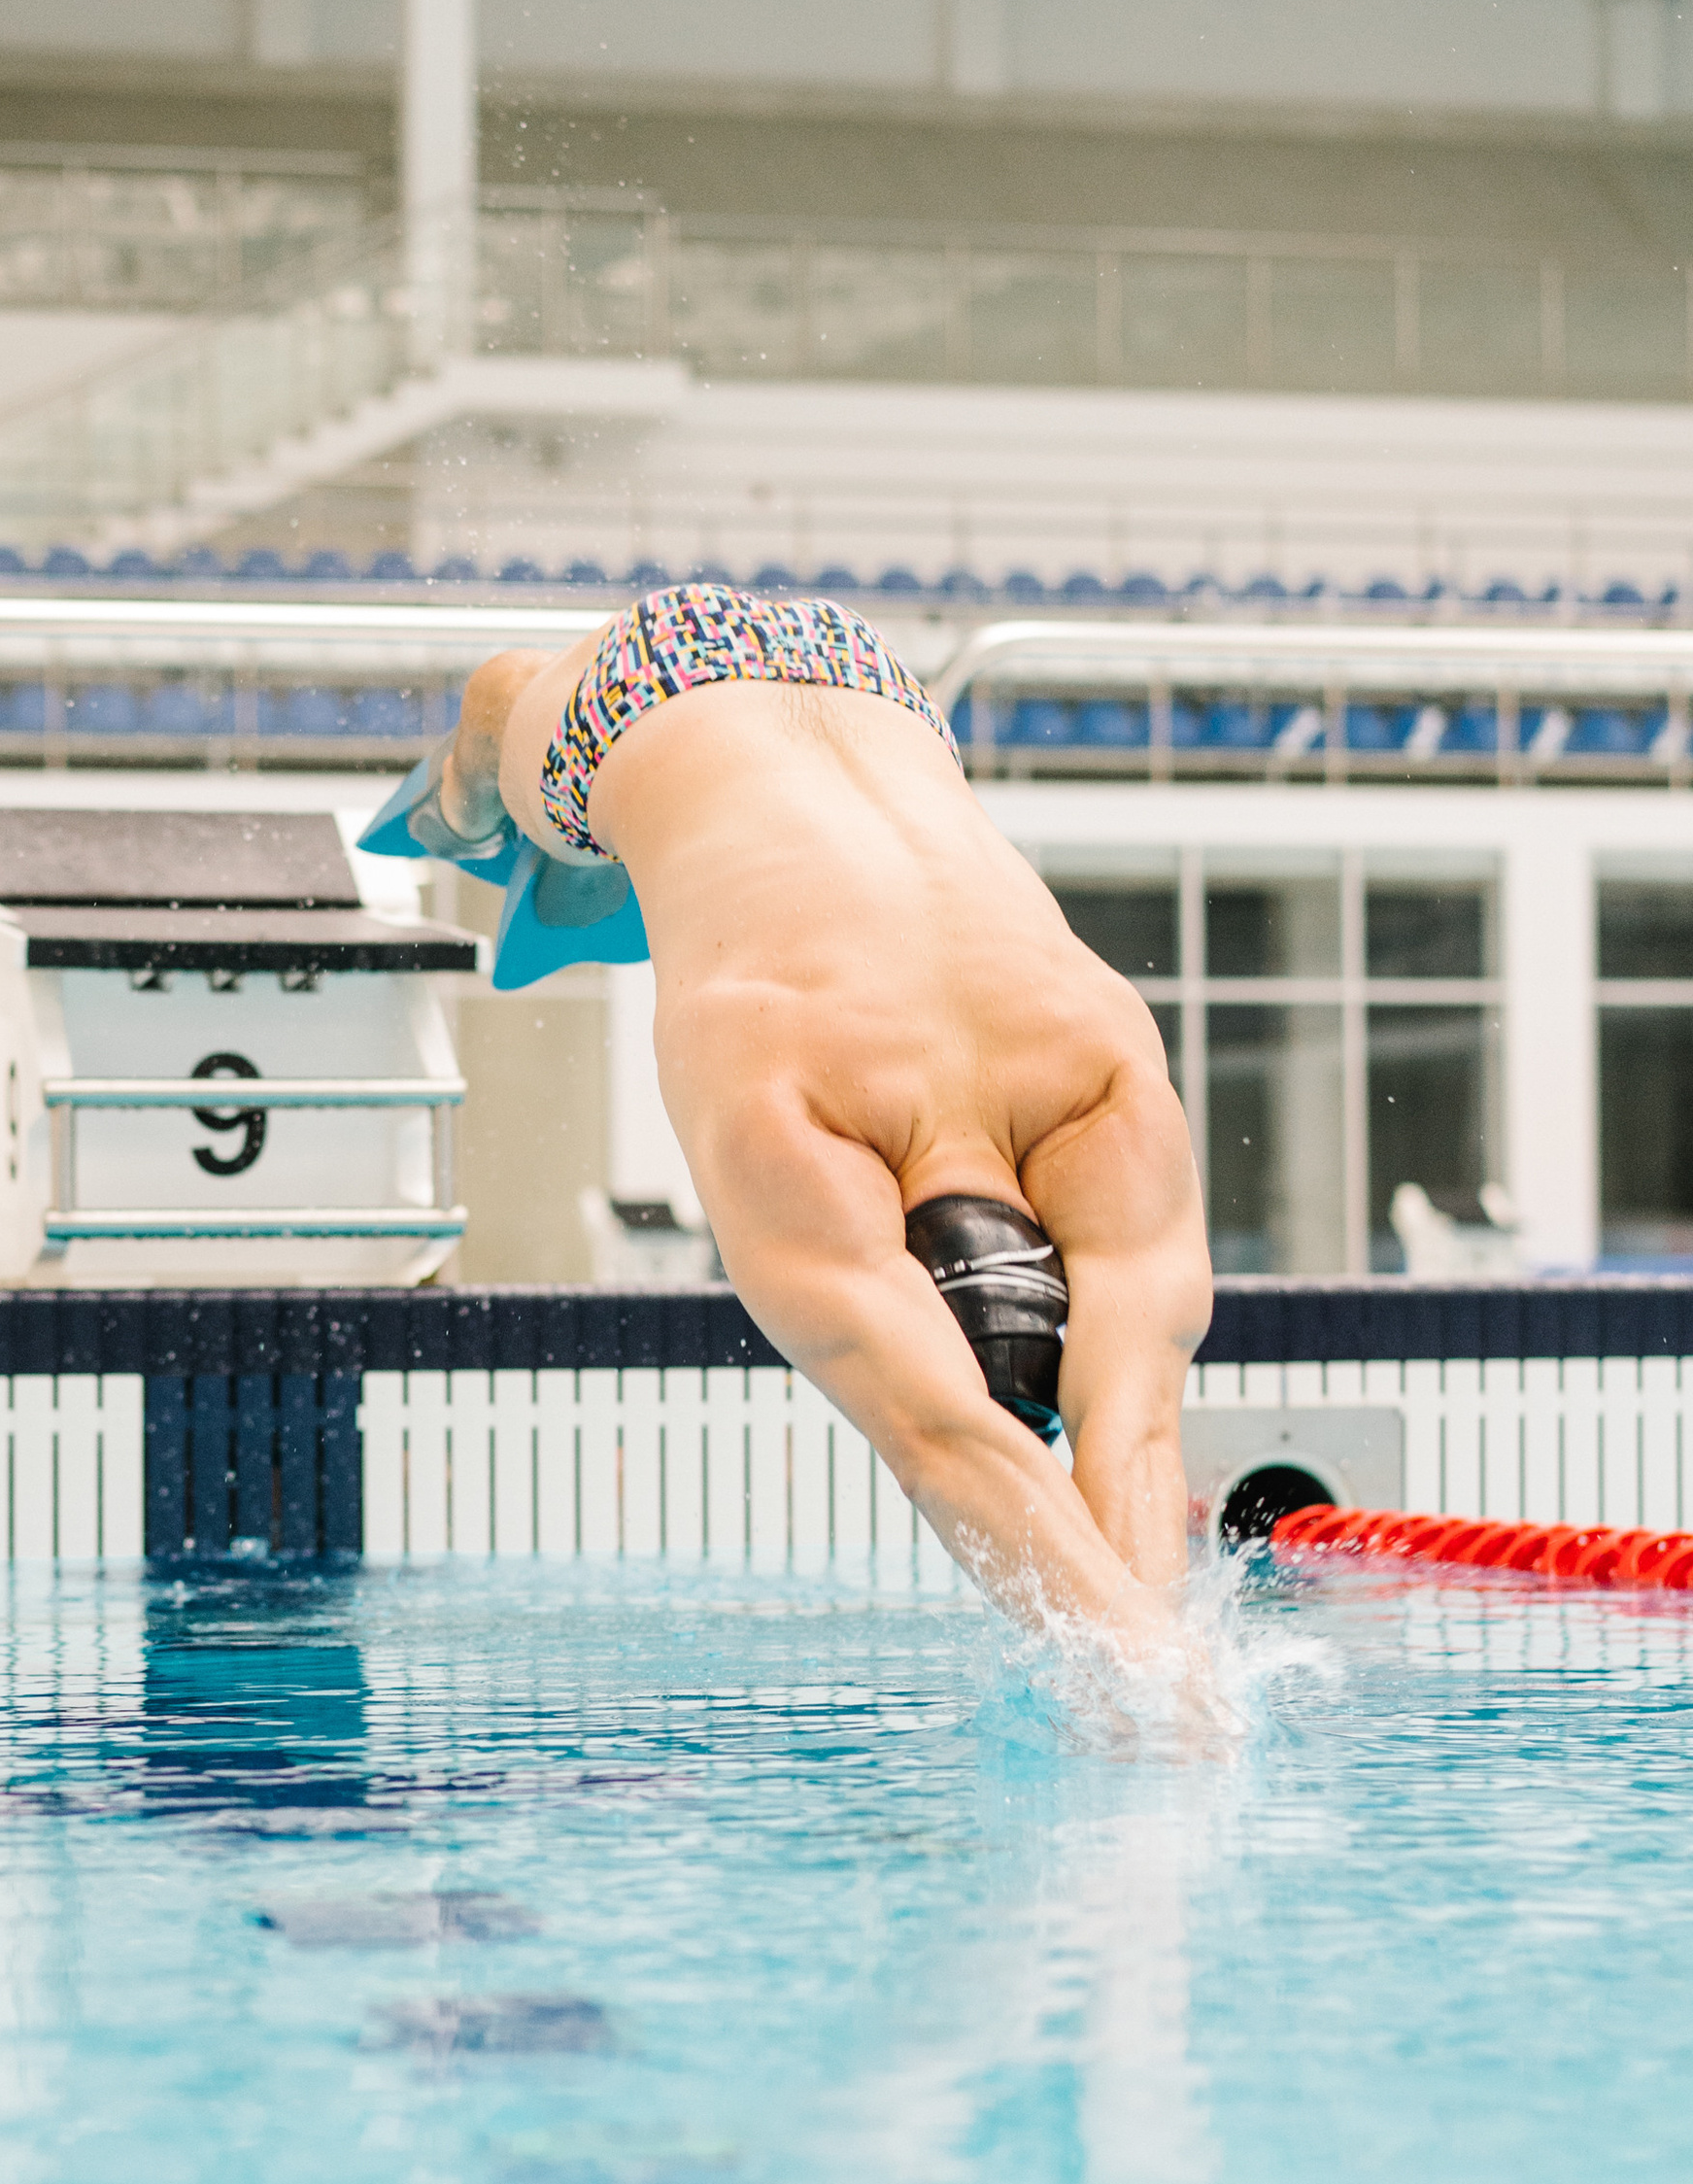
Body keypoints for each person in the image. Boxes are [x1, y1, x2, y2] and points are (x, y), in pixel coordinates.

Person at [416, 585, 1213, 1675]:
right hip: (629, 700)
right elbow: (954, 1440)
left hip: (873, 677)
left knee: (558, 744)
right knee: (503, 727)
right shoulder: (791, 1118)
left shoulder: (1103, 1073)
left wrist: (1158, 1670)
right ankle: (462, 795)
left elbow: (1116, 1437)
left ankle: (488, 786)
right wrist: (1162, 1687)